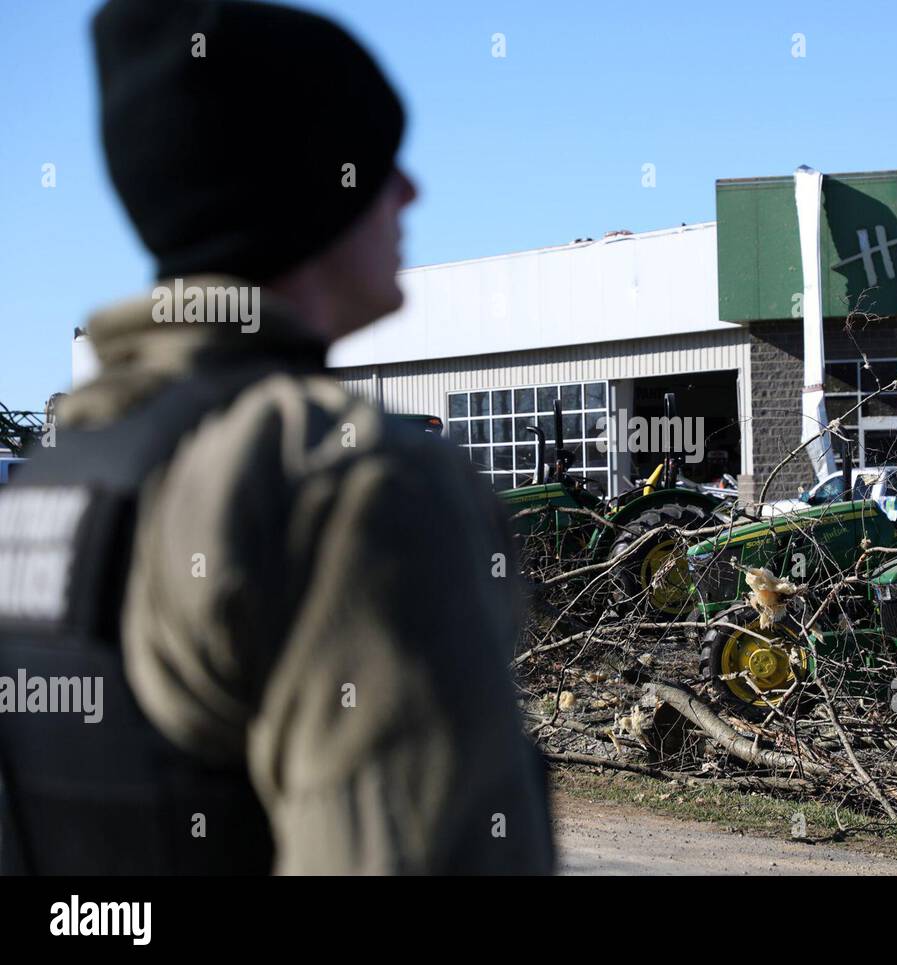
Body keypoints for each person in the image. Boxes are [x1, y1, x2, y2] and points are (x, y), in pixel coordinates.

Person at [0, 0, 553, 874]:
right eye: (378, 162)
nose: (410, 191)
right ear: (304, 191)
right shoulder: (348, 482)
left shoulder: (53, 484)